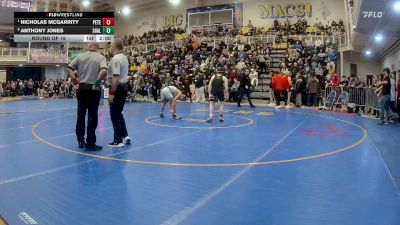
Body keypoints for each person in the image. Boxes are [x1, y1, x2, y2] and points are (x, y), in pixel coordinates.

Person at [67, 42, 107, 150]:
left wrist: (74, 79)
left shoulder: (80, 56)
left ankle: (80, 141)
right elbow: (104, 70)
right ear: (98, 48)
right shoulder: (101, 57)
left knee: (80, 115)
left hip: (82, 88)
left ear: (89, 47)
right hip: (94, 89)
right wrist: (97, 82)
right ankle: (90, 143)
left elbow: (69, 68)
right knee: (92, 116)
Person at [107, 38, 131, 147]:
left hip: (117, 88)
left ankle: (118, 140)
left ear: (114, 47)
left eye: (111, 45)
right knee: (118, 113)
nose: (110, 47)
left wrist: (111, 93)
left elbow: (115, 78)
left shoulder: (116, 59)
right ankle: (124, 135)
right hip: (124, 87)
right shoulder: (124, 58)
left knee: (114, 114)